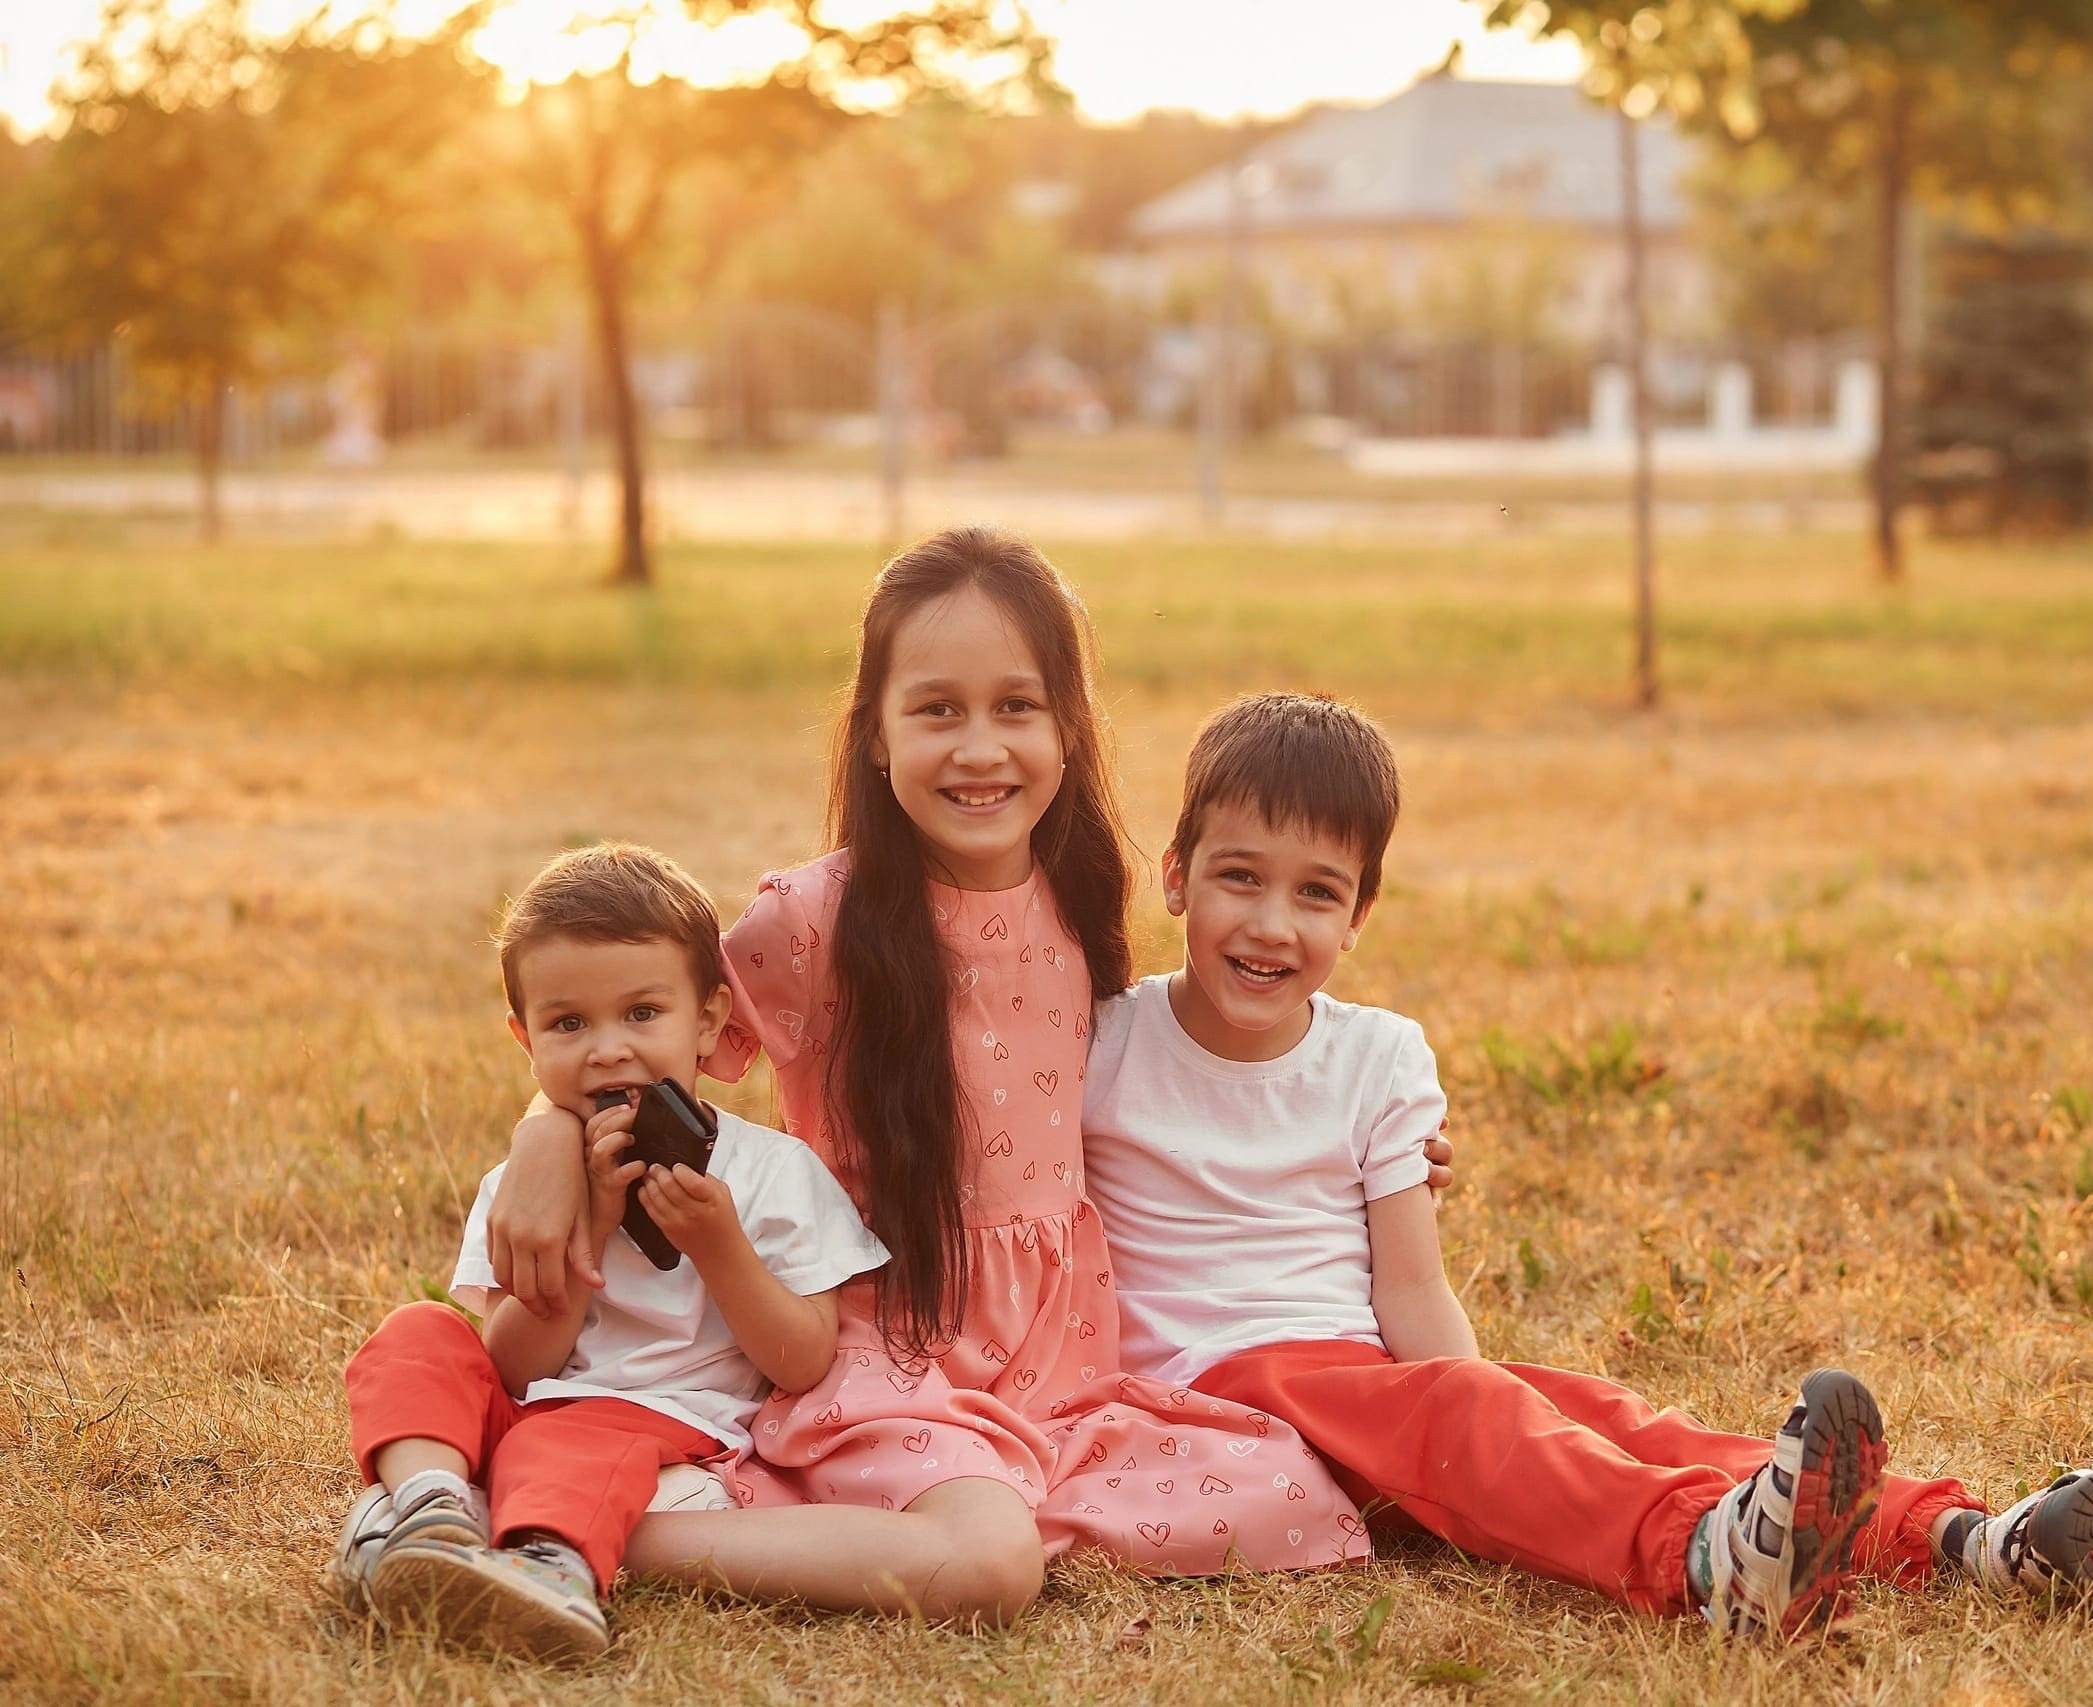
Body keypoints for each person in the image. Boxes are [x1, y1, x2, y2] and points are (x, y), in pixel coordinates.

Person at [1079, 692, 2093, 1635]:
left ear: (1359, 914)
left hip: (1366, 1381)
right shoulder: (1101, 1042)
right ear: (1175, 877)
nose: (1271, 925)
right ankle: (1704, 1559)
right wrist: (1462, 1415)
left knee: (1602, 1419)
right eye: (1239, 877)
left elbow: (1410, 1286)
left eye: (1316, 893)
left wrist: (1478, 1403)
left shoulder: (1380, 1056)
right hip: (1217, 1393)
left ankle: (1970, 1539)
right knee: (1473, 1417)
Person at [477, 528, 1384, 1623]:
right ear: (875, 732)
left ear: (1067, 725)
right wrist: (544, 1133)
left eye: (1016, 706)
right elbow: (643, 1031)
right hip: (882, 1340)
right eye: (938, 710)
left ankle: (948, 1499)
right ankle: (616, 1526)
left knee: (1297, 1490)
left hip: (1053, 1355)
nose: (980, 749)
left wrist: (1370, 1138)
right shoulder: (810, 920)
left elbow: (1139, 1061)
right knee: (990, 1570)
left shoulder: (1076, 892)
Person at [330, 843, 885, 1660]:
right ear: (524, 1039)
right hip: (534, 1409)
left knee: (570, 1436)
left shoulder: (774, 1171)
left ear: (707, 1020)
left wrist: (719, 1247)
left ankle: (551, 1568)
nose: (607, 1048)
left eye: (642, 1013)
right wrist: (587, 1227)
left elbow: (803, 1360)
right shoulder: (525, 1188)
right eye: (568, 1023)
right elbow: (511, 1366)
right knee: (417, 1332)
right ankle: (429, 1508)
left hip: (664, 1427)